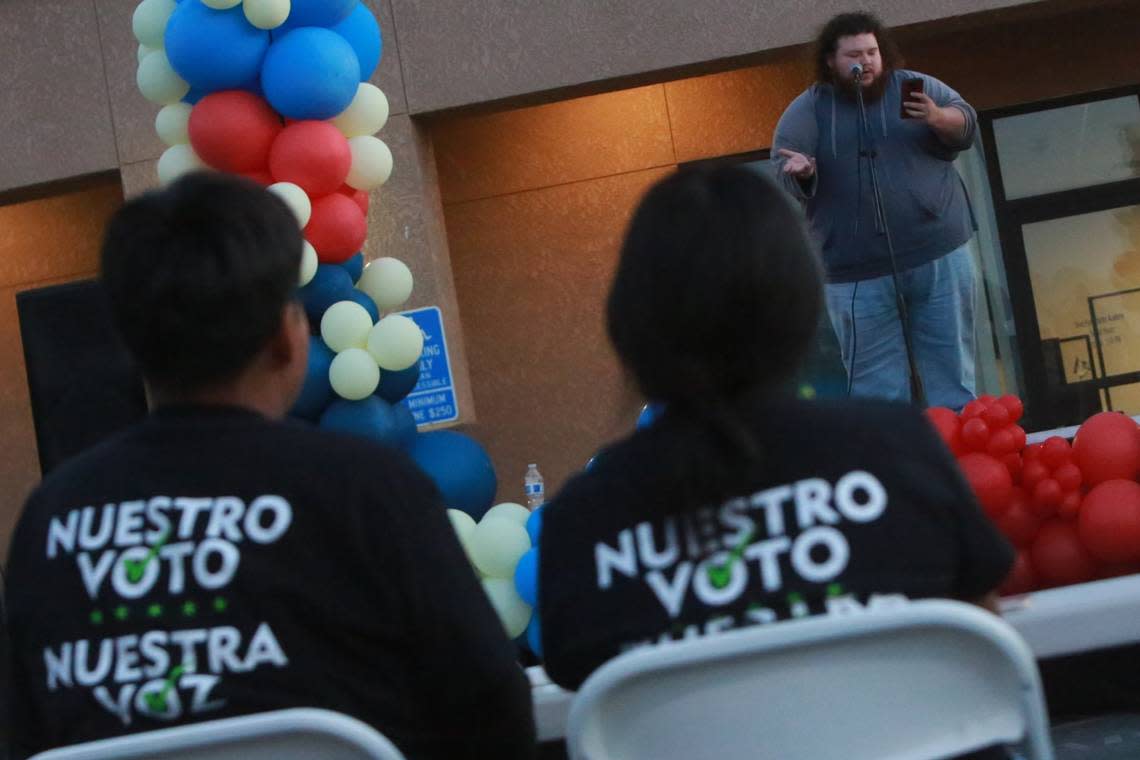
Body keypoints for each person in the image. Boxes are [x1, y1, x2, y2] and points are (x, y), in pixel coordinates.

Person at [4, 174, 535, 760]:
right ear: (288, 337)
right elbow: (494, 713)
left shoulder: (50, 521)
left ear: (131, 348)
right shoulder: (368, 490)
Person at [537, 166, 1013, 715]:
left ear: (628, 325)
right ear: (801, 302)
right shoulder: (899, 452)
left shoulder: (583, 526)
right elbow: (989, 673)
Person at [772, 11, 979, 410]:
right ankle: (891, 466)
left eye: (872, 52)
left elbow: (966, 121)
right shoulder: (808, 110)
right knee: (878, 395)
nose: (865, 61)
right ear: (831, 61)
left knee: (952, 379)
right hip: (856, 275)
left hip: (938, 255)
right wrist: (799, 173)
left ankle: (960, 462)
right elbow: (784, 166)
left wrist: (936, 117)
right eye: (854, 54)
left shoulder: (914, 89)